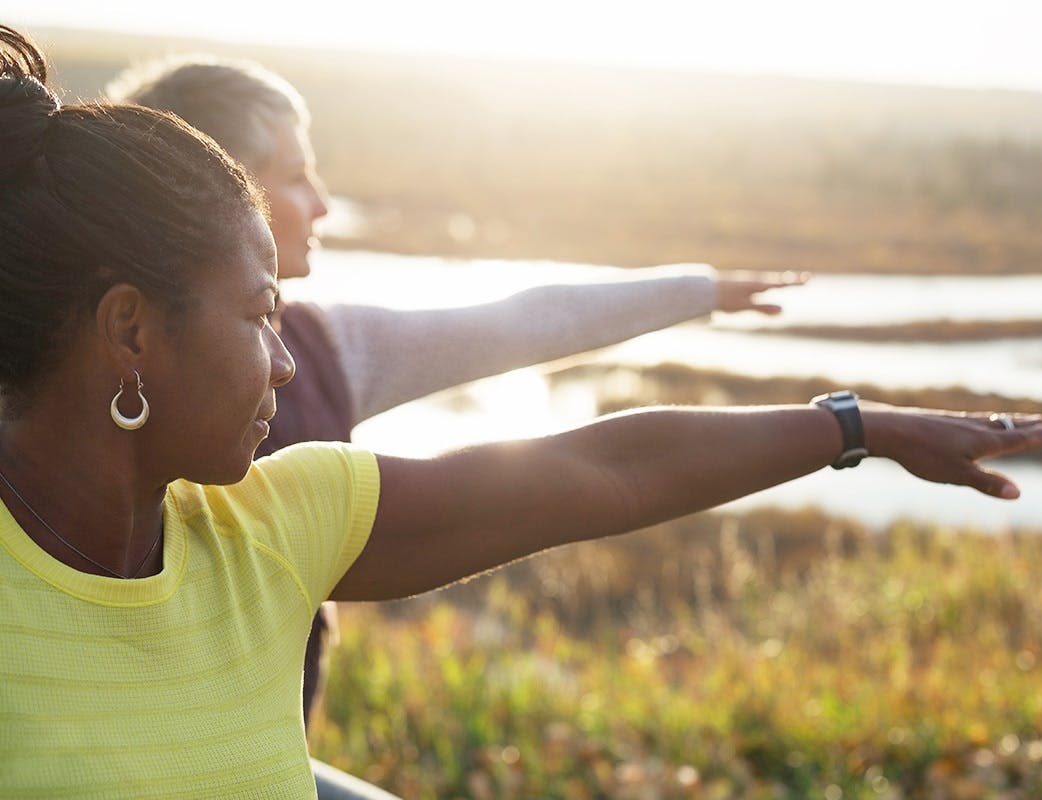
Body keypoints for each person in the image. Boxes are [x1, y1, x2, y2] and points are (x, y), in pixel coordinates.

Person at [0, 25, 1042, 799]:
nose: (284, 363)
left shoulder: (274, 523)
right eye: (257, 313)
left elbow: (609, 471)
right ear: (131, 331)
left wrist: (859, 424)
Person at [104, 52, 811, 734]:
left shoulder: (332, 348)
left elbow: (521, 323)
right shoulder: (92, 373)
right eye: (296, 175)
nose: (321, 202)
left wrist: (702, 291)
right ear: (219, 192)